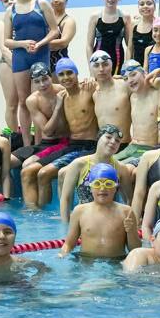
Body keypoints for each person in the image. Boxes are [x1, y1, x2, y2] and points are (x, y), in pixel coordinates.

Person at [23, 57, 99, 207]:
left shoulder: (89, 89)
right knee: (34, 172)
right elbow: (48, 131)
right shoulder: (62, 96)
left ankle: (61, 215)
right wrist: (57, 107)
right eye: (62, 74)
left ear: (77, 73)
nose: (66, 77)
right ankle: (39, 216)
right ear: (58, 76)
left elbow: (109, 82)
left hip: (89, 146)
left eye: (70, 73)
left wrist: (94, 78)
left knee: (44, 174)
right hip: (71, 146)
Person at [3, 0, 61, 138]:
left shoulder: (41, 4)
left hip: (40, 54)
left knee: (38, 99)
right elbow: (7, 41)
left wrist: (40, 44)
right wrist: (22, 44)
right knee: (23, 100)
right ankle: (26, 142)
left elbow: (55, 31)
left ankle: (39, 141)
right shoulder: (10, 11)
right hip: (21, 57)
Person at [61, 162, 141, 259]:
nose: (102, 188)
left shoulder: (126, 212)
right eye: (97, 184)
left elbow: (135, 249)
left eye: (108, 184)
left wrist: (131, 231)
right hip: (87, 262)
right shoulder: (80, 211)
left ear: (115, 187)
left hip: (115, 262)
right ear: (91, 187)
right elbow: (69, 244)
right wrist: (62, 255)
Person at [59, 125, 133, 220]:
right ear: (98, 138)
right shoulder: (79, 164)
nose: (113, 142)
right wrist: (66, 226)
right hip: (84, 219)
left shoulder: (121, 168)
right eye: (108, 137)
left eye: (117, 141)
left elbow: (129, 199)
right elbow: (66, 198)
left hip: (110, 219)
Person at [90, 50, 132, 142]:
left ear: (111, 66)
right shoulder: (95, 95)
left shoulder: (125, 85)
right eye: (96, 65)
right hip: (103, 147)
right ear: (91, 69)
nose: (101, 69)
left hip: (123, 145)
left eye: (105, 64)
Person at [0, 0, 20, 134]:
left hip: (25, 63)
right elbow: (4, 49)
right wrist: (19, 67)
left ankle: (30, 134)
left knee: (27, 102)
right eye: (6, 1)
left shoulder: (24, 20)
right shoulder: (1, 24)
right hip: (8, 63)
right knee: (12, 104)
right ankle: (15, 136)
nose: (10, 2)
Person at [87, 0, 128, 70]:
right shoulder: (95, 17)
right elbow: (89, 46)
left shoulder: (125, 18)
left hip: (117, 60)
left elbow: (130, 45)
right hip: (97, 61)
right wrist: (91, 70)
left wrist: (127, 67)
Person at [48, 0, 78, 72]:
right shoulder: (45, 18)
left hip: (60, 64)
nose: (56, 0)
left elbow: (63, 42)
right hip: (44, 61)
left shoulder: (68, 21)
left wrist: (40, 44)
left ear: (66, 0)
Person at [128, 0, 158, 67]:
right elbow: (130, 48)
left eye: (149, 3)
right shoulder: (134, 24)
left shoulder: (159, 24)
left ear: (154, 7)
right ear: (138, 7)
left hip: (153, 68)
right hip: (137, 69)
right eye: (142, 4)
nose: (145, 6)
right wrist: (127, 66)